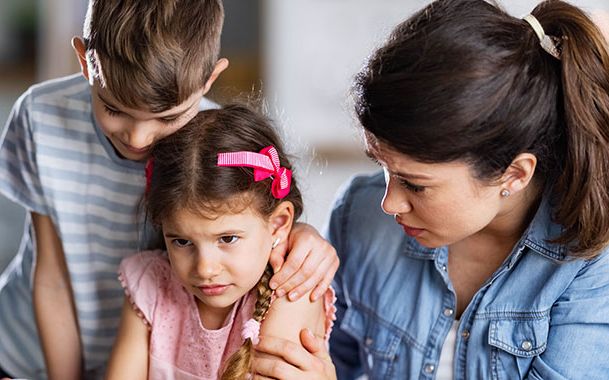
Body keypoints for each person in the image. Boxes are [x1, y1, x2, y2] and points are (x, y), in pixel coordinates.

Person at [0, 1, 339, 379]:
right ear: (86, 62)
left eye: (167, 117)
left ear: (208, 81)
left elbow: (257, 220)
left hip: (156, 355)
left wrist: (303, 235)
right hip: (26, 351)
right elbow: (51, 277)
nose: (138, 138)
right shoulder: (40, 116)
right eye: (114, 108)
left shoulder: (218, 144)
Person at [252, 0, 609, 379]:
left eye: (416, 185)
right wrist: (285, 246)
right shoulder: (358, 213)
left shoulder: (591, 265)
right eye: (383, 168)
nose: (388, 203)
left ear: (514, 175)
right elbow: (329, 358)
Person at [104, 105, 338, 380]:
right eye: (181, 241)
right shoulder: (150, 286)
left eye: (227, 239)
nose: (205, 269)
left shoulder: (293, 291)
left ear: (278, 224)